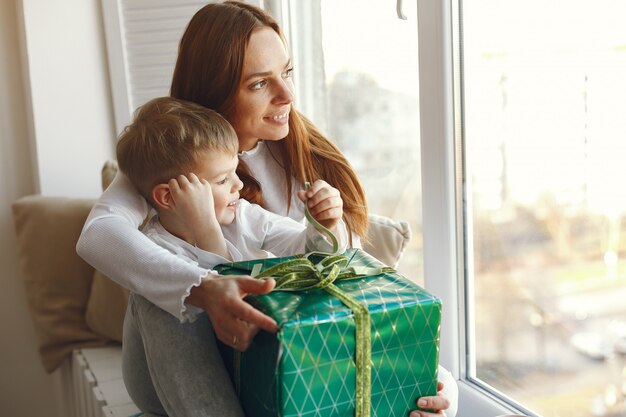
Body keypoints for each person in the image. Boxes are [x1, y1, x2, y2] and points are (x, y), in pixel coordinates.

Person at [76, 1, 456, 416]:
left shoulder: (303, 152)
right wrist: (202, 287)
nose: (289, 95)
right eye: (259, 83)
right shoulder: (173, 154)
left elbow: (346, 277)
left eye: (287, 72)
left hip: (262, 348)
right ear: (215, 89)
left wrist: (440, 385)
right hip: (176, 364)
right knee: (168, 296)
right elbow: (98, 235)